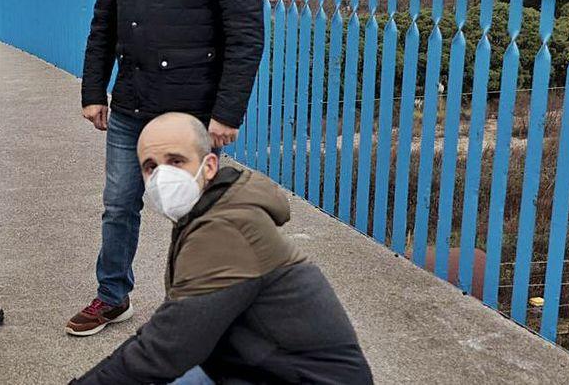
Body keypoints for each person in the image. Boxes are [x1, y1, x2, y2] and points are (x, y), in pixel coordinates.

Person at [68, 0, 265, 336]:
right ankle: (112, 296)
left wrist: (227, 113)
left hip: (193, 113)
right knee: (118, 204)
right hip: (132, 102)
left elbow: (246, 36)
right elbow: (103, 23)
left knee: (201, 213)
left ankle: (206, 304)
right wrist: (95, 91)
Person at [74, 113, 373, 384]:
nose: (163, 176)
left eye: (176, 161)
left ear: (210, 166)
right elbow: (176, 324)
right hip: (257, 365)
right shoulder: (214, 209)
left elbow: (165, 350)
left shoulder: (225, 230)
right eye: (151, 167)